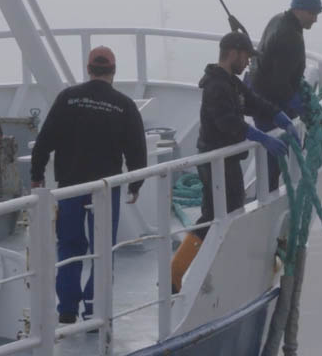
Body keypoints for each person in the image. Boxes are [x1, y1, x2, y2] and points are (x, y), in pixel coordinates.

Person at [29, 46, 148, 325]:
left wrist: (37, 175)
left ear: (88, 69)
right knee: (102, 249)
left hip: (70, 187)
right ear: (113, 71)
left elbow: (44, 140)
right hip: (105, 189)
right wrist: (135, 184)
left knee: (69, 246)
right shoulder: (124, 105)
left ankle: (67, 309)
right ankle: (95, 310)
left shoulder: (68, 99)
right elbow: (137, 151)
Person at [171, 32, 294, 293]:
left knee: (218, 214)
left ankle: (181, 270)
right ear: (234, 53)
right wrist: (261, 137)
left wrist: (279, 116)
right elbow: (227, 122)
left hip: (225, 161)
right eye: (246, 56)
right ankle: (181, 271)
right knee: (221, 216)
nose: (248, 62)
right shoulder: (216, 86)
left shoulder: (230, 83)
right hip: (216, 162)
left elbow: (253, 102)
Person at [249, 0, 322, 190]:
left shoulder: (278, 20)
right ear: (299, 9)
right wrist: (300, 109)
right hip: (271, 105)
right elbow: (280, 83)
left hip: (258, 95)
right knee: (276, 155)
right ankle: (267, 194)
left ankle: (267, 189)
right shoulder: (290, 36)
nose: (315, 19)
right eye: (312, 13)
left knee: (273, 155)